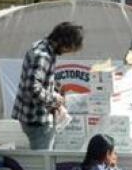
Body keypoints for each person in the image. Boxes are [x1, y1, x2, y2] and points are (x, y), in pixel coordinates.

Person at [12, 22, 84, 150]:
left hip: (34, 117)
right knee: (43, 159)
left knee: (42, 156)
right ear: (63, 42)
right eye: (70, 48)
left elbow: (37, 83)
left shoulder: (43, 47)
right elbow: (32, 88)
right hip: (37, 120)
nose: (68, 52)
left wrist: (53, 92)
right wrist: (54, 100)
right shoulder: (43, 56)